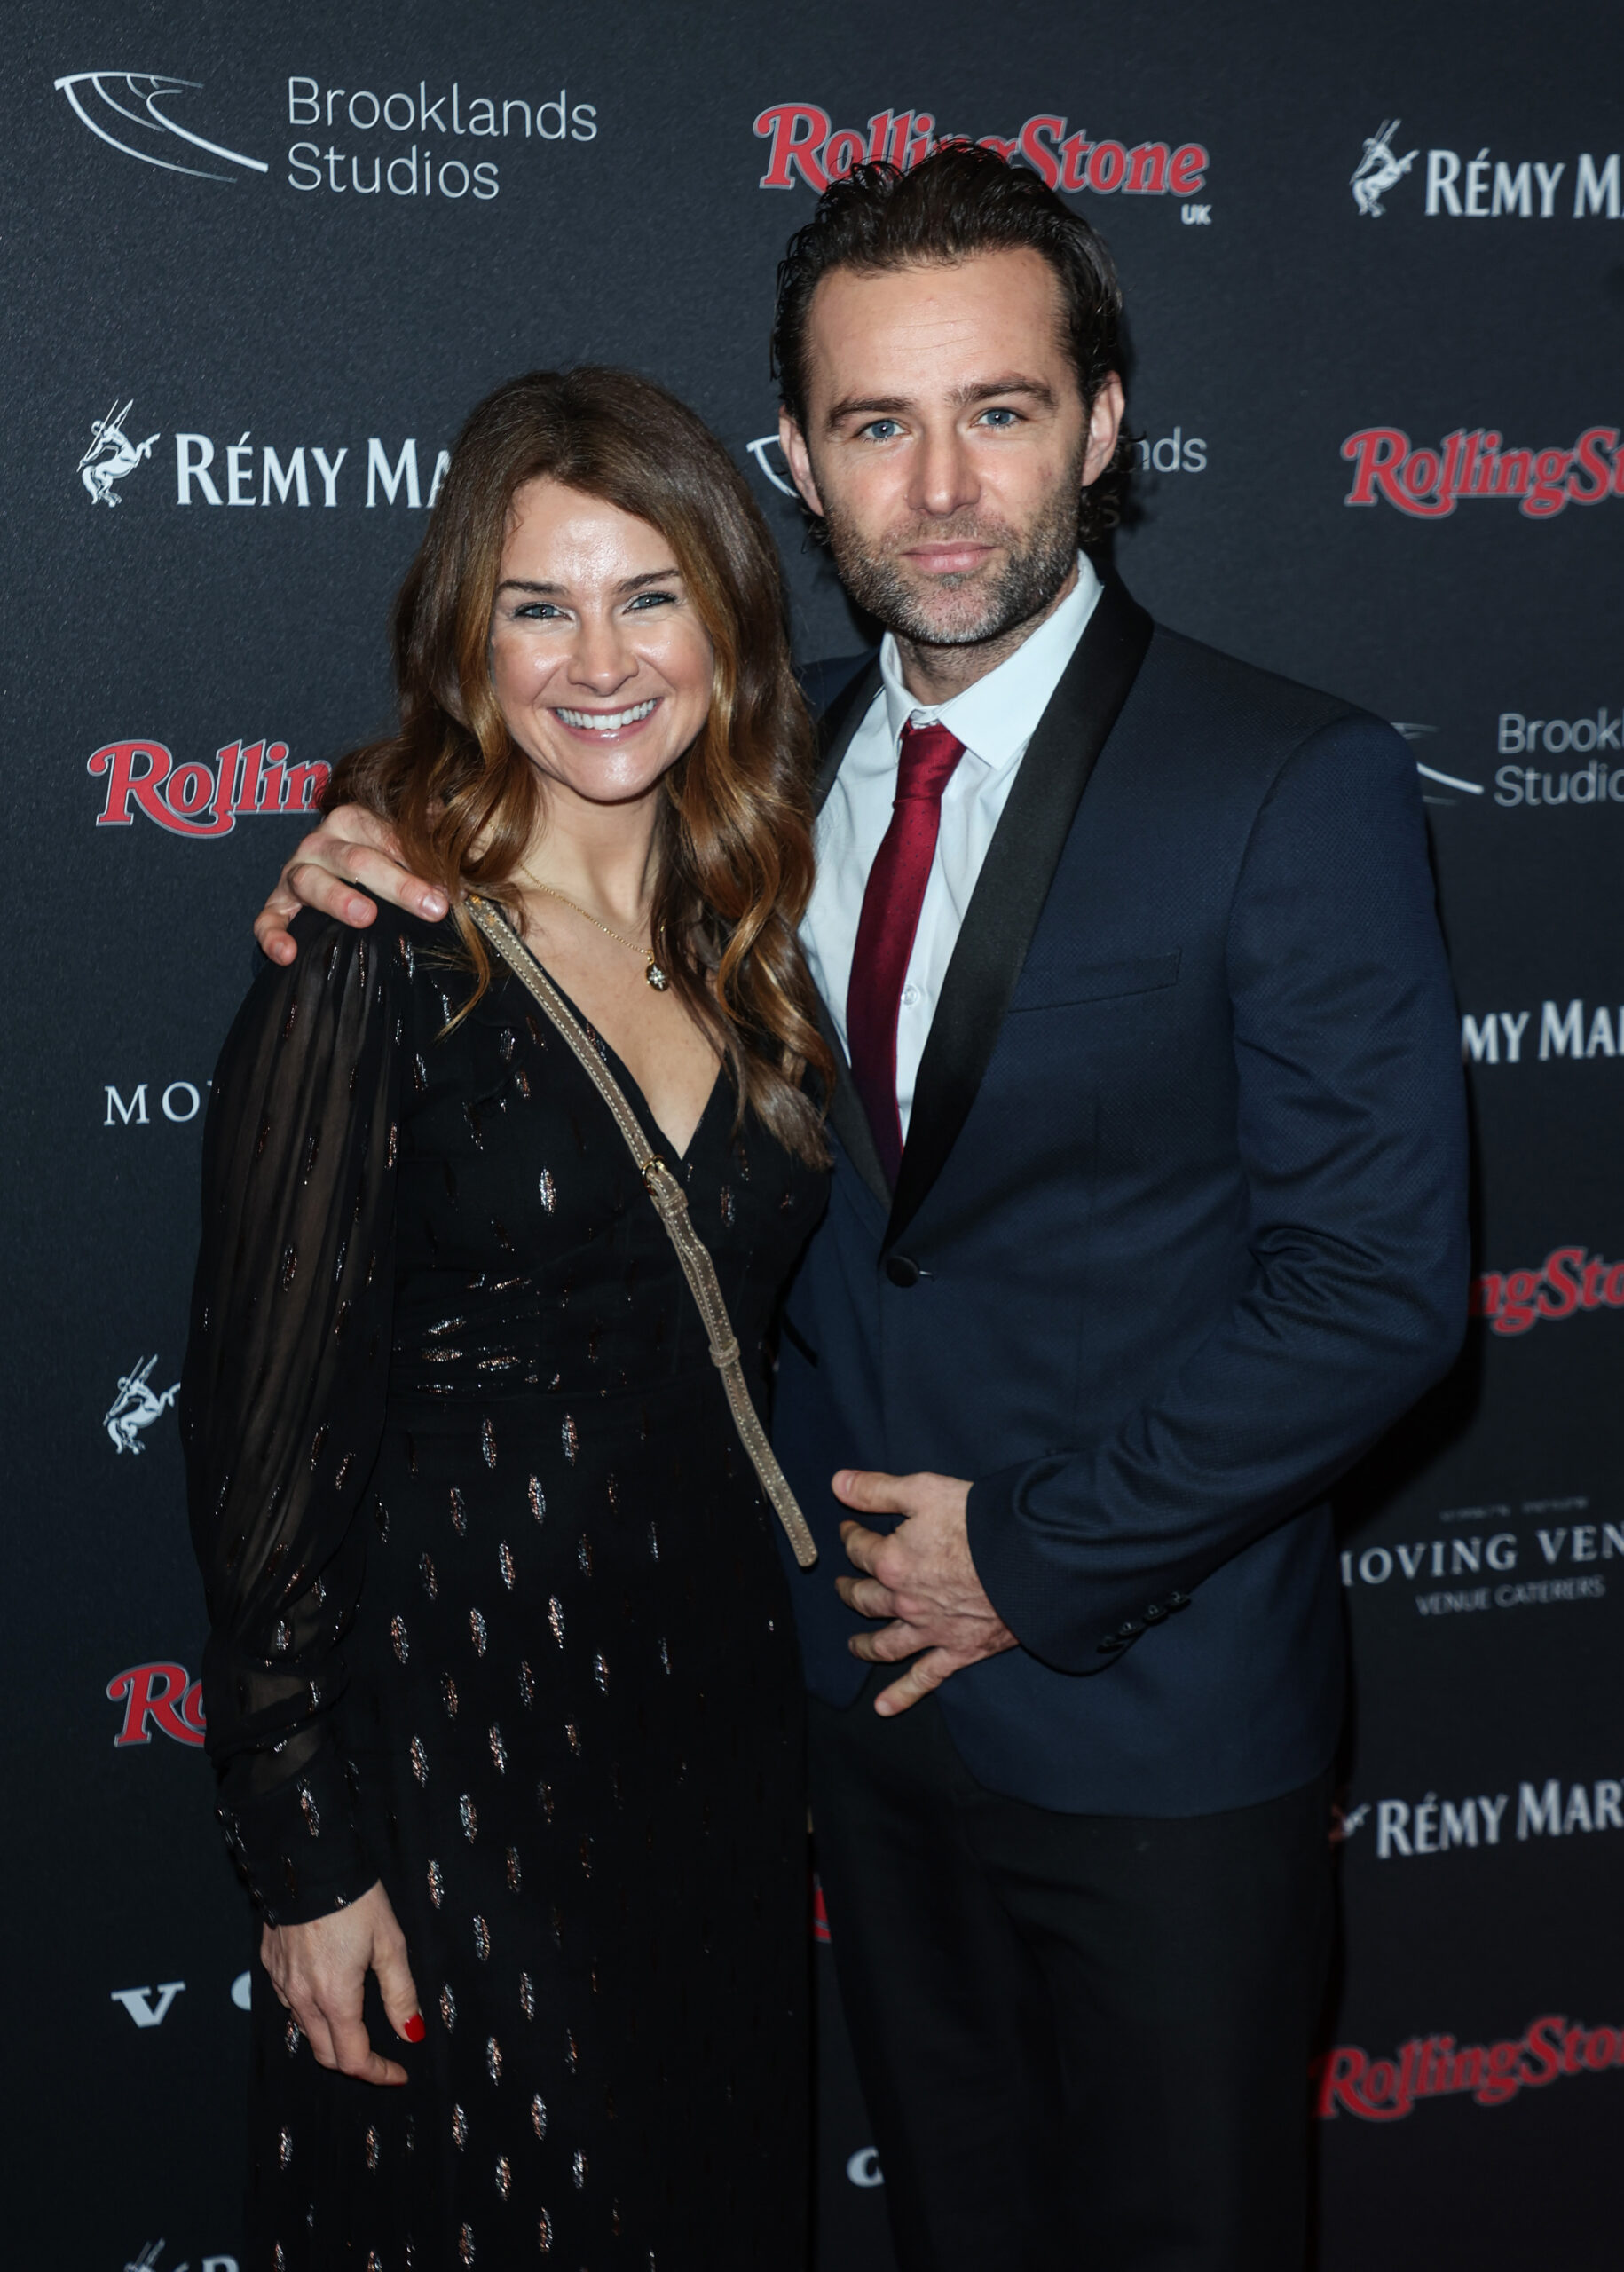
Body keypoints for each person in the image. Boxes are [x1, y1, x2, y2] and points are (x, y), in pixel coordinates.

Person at [253, 150, 1469, 2272]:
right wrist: (345, 843)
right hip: (826, 1740)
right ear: (797, 462)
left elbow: (1378, 1291)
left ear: (1101, 427)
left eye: (996, 411)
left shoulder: (1292, 779)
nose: (938, 487)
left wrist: (1032, 1552)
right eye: (874, 426)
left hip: (1160, 1727)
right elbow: (527, 881)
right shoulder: (752, 782)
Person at [185, 367, 832, 2272]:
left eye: (649, 595)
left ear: (727, 610)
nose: (599, 659)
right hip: (461, 1753)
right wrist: (304, 1850)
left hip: (715, 1743)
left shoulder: (760, 930)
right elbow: (260, 1447)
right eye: (536, 606)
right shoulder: (378, 950)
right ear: (467, 636)